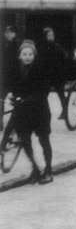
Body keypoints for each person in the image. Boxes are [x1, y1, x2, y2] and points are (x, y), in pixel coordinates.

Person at [7, 41, 54, 184]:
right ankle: (35, 168)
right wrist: (11, 94)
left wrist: (25, 99)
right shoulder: (16, 69)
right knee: (25, 141)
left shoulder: (41, 69)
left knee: (44, 140)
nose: (27, 57)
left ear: (34, 55)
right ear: (20, 56)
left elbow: (43, 91)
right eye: (24, 54)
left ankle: (48, 170)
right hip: (23, 112)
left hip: (39, 111)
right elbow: (12, 86)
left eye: (30, 54)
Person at [38, 27, 70, 121]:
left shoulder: (57, 47)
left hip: (57, 75)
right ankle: (41, 113)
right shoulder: (41, 47)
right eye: (49, 35)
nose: (51, 37)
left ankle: (65, 111)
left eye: (52, 35)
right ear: (45, 36)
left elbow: (64, 58)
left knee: (61, 94)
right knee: (43, 95)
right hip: (46, 75)